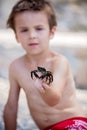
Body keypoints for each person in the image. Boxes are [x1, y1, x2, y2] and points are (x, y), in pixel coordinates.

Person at [3, 0, 87, 130]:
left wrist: (42, 85)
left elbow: (53, 99)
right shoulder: (16, 67)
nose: (32, 35)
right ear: (16, 36)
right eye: (24, 30)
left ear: (51, 32)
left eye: (39, 28)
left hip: (73, 122)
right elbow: (11, 107)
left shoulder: (59, 62)